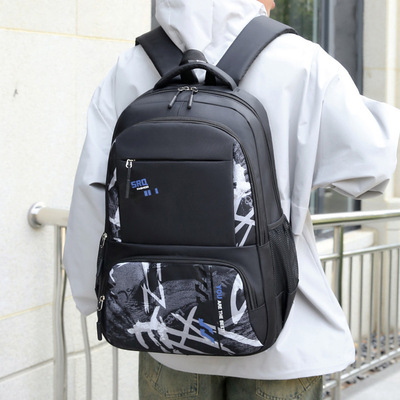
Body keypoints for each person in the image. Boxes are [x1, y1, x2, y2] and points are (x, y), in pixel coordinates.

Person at [64, 0, 400, 399]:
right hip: (283, 329)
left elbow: (93, 194)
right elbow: (371, 167)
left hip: (167, 332)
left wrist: (93, 296)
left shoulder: (131, 66)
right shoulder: (302, 61)